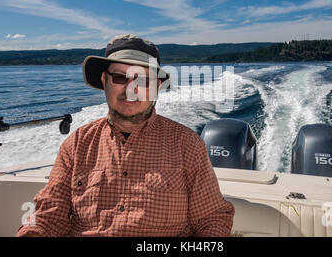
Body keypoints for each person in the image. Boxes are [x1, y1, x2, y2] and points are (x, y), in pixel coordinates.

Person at [16, 34, 235, 237]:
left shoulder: (187, 145)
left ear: (157, 87)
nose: (131, 89)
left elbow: (212, 220)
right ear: (104, 81)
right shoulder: (77, 144)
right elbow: (47, 215)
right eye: (120, 77)